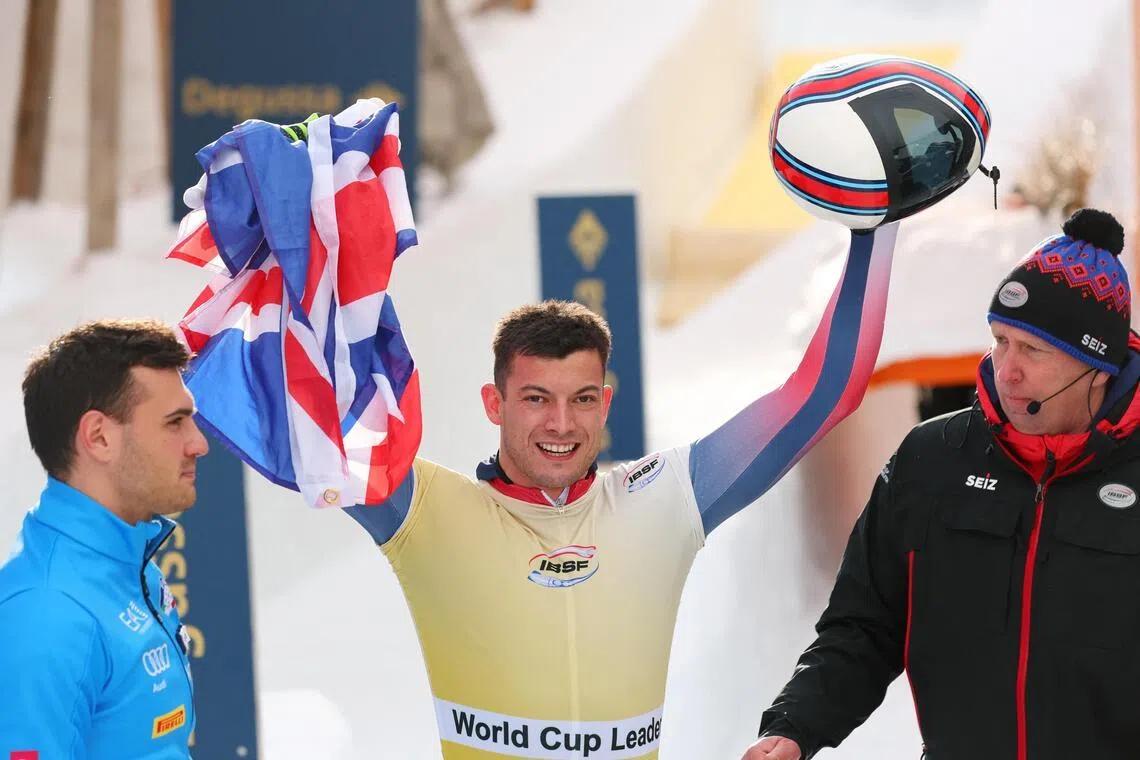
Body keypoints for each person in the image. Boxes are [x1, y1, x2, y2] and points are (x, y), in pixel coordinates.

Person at [334, 223, 900, 758]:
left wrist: (878, 226)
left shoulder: (662, 499)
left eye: (581, 398)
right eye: (535, 398)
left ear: (604, 404)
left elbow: (824, 393)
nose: (561, 423)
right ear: (493, 403)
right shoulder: (428, 511)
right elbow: (311, 419)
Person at [744, 207, 1140, 760]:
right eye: (1001, 340)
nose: (1006, 369)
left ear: (1097, 366)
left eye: (1033, 351)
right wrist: (794, 726)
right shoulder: (930, 461)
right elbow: (863, 625)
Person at [0, 319, 208, 758]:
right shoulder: (48, 610)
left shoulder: (126, 556)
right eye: (175, 423)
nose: (198, 443)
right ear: (98, 437)